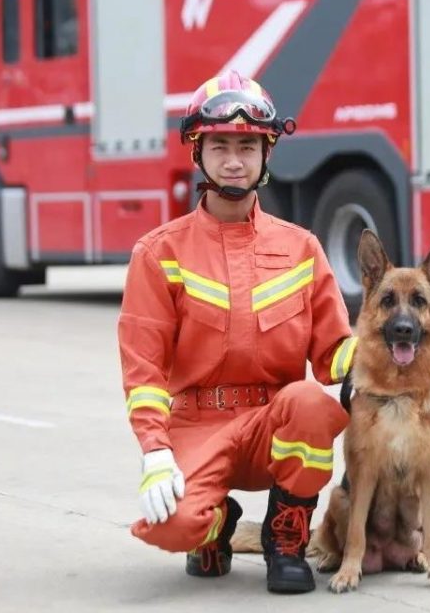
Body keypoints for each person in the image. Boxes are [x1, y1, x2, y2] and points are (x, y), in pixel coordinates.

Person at [117, 70, 356, 593]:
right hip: (196, 425)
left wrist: (372, 362)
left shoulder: (302, 249)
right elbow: (145, 371)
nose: (233, 159)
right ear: (197, 153)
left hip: (274, 422)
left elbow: (335, 352)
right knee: (171, 526)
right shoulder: (159, 254)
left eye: (247, 146)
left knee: (312, 403)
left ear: (266, 154)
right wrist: (156, 452)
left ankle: (286, 537)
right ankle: (215, 523)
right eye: (219, 145)